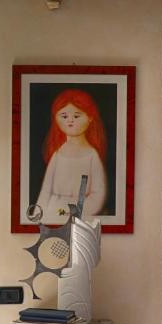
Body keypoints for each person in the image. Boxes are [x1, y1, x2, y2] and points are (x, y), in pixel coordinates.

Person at [36, 88, 107, 223]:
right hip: (52, 213)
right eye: (64, 116)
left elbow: (98, 195)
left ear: (90, 117)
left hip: (80, 214)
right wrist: (37, 216)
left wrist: (75, 210)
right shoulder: (58, 154)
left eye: (76, 116)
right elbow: (45, 191)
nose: (70, 121)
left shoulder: (92, 156)